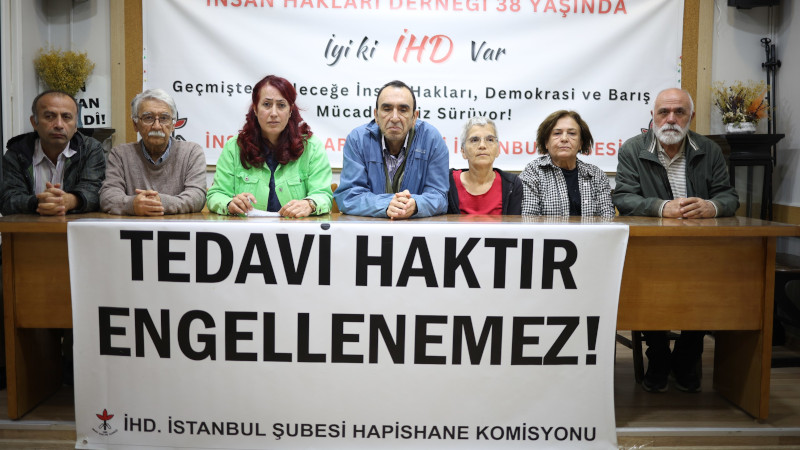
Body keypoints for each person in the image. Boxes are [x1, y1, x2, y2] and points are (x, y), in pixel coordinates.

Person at [613, 87, 739, 393]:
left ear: (691, 116)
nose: (671, 119)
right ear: (653, 116)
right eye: (664, 112)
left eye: (679, 112)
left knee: (709, 288)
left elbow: (728, 196)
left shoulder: (709, 149)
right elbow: (624, 197)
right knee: (646, 289)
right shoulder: (633, 149)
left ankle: (686, 356)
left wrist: (711, 207)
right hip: (652, 248)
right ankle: (657, 356)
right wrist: (661, 207)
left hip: (701, 248)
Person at [206, 75, 333, 217]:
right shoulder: (235, 147)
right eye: (266, 104)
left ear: (290, 110)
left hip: (295, 228)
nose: (273, 113)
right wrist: (229, 204)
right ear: (255, 108)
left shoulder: (311, 147)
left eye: (281, 105)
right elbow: (216, 194)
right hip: (247, 229)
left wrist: (310, 204)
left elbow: (323, 195)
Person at [334, 80, 449, 219]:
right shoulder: (358, 139)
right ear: (376, 115)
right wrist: (387, 204)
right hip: (369, 228)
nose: (394, 118)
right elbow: (348, 196)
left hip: (415, 228)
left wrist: (416, 205)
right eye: (387, 109)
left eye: (403, 110)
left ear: (414, 117)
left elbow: (439, 197)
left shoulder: (432, 140)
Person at [100, 89, 206, 215]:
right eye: (148, 118)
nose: (156, 126)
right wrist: (132, 205)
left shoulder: (191, 153)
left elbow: (197, 197)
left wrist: (160, 202)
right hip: (134, 226)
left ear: (173, 125)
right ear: (135, 124)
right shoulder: (120, 154)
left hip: (177, 226)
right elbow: (107, 196)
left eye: (164, 118)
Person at [0, 90, 105, 215]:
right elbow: (8, 200)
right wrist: (39, 202)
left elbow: (94, 191)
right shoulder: (18, 152)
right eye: (49, 116)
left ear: (76, 125)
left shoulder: (90, 149)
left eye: (66, 117)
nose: (59, 125)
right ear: (34, 122)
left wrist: (70, 201)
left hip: (75, 226)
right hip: (30, 226)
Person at [519, 110, 614, 217]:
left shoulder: (596, 175)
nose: (564, 139)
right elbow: (529, 218)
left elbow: (607, 218)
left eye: (572, 133)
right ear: (546, 143)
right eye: (557, 133)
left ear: (580, 143)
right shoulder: (533, 172)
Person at [447, 116, 521, 214]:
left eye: (490, 140)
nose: (482, 145)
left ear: (498, 150)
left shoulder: (512, 184)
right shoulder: (447, 181)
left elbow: (514, 223)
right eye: (474, 140)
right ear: (463, 151)